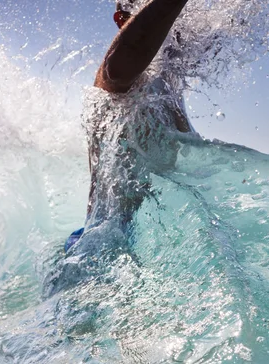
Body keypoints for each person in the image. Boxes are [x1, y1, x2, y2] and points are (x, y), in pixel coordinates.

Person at [64, 0, 198, 252]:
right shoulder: (118, 79)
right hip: (96, 243)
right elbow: (120, 65)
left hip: (137, 236)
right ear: (123, 19)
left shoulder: (167, 80)